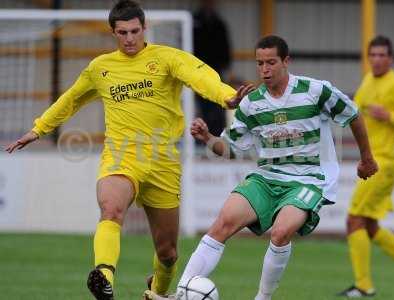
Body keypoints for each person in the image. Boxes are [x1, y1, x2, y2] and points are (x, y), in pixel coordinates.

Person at [4, 1, 254, 299]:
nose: (130, 38)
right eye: (122, 33)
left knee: (168, 253)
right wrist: (38, 129)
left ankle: (157, 293)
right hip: (122, 155)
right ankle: (104, 276)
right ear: (113, 32)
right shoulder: (101, 68)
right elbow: (70, 99)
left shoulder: (167, 58)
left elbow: (201, 77)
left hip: (163, 160)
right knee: (110, 208)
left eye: (135, 31)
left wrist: (226, 96)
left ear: (144, 28)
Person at [143, 35, 378, 300]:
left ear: (286, 61)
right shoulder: (251, 103)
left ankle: (262, 298)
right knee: (223, 222)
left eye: (271, 62)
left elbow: (353, 115)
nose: (264, 69)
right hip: (266, 178)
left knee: (280, 232)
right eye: (260, 63)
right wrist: (209, 138)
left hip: (308, 180)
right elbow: (231, 149)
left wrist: (366, 157)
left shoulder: (314, 91)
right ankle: (182, 291)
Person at [338, 36, 394, 298]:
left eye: (381, 55)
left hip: (383, 162)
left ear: (391, 58)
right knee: (370, 226)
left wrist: (391, 116)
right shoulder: (367, 80)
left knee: (353, 220)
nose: (376, 59)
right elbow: (355, 109)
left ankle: (363, 285)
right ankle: (363, 284)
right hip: (372, 162)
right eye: (372, 55)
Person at [193, 0, 232, 137]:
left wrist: (226, 64)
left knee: (217, 103)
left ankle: (218, 136)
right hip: (196, 70)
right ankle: (199, 137)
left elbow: (225, 47)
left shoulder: (219, 23)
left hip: (216, 70)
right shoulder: (193, 22)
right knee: (200, 104)